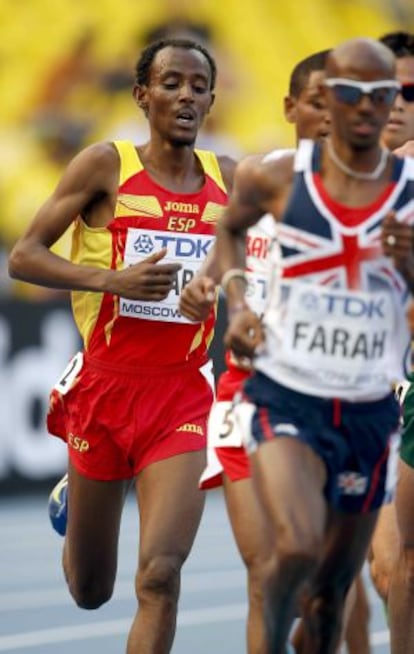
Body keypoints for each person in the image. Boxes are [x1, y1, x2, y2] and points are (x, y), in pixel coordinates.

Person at [8, 37, 235, 654]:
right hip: (105, 388)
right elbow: (23, 258)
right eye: (171, 83)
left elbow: (255, 271)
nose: (185, 95)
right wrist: (112, 280)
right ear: (142, 95)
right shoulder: (104, 167)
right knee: (90, 590)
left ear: (212, 100)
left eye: (197, 86)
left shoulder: (231, 183)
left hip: (181, 394)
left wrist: (216, 289)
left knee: (160, 576)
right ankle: (74, 491)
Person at [213, 37, 414, 654]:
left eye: (385, 95)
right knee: (295, 546)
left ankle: (309, 625)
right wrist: (238, 302)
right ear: (326, 97)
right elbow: (228, 232)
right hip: (285, 393)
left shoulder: (409, 185)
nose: (367, 107)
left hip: (366, 406)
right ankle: (270, 629)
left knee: (331, 598)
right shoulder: (273, 175)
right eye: (350, 92)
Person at [180, 49, 371, 654]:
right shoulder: (260, 177)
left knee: (325, 582)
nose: (327, 116)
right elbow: (226, 247)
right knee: (266, 574)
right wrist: (213, 288)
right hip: (244, 396)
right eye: (316, 102)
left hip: (331, 402)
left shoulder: (372, 193)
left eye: (339, 103)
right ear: (291, 107)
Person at [366, 30, 414, 629]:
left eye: (412, 91)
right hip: (357, 391)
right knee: (385, 568)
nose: (399, 104)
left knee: (400, 565)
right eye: (387, 91)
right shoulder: (328, 175)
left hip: (406, 388)